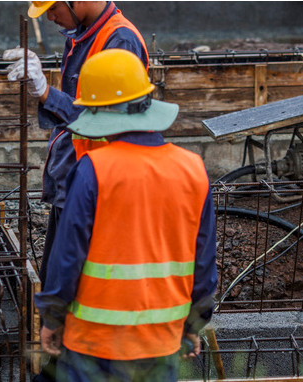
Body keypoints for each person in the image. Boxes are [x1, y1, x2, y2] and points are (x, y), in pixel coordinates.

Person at [34, 49, 218, 381]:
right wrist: (194, 323)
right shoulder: (194, 169)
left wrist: (52, 317)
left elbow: (67, 258)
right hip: (161, 345)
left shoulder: (94, 170)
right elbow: (203, 264)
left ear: (100, 113)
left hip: (93, 345)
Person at [4, 0, 149, 292]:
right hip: (76, 180)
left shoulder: (119, 41)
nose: (50, 17)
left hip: (98, 190)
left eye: (53, 9)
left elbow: (108, 123)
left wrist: (46, 93)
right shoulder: (84, 34)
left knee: (77, 287)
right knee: (55, 282)